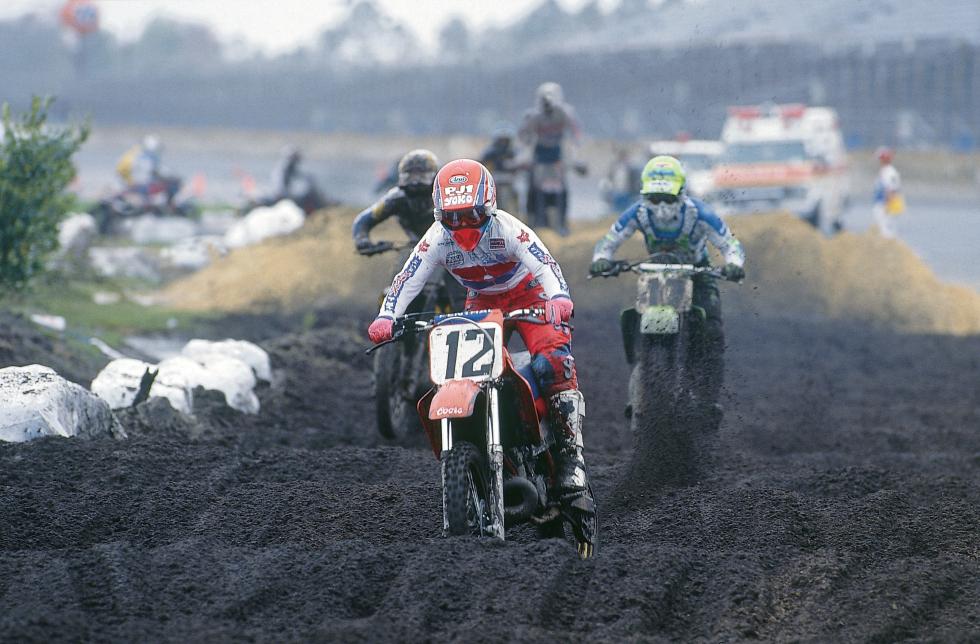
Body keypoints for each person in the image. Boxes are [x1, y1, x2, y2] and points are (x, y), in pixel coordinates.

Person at [366, 159, 597, 556]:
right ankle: (487, 443)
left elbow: (545, 264)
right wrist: (388, 315)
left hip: (529, 294)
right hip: (482, 301)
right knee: (464, 373)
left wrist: (558, 297)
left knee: (552, 362)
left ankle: (571, 458)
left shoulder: (509, 229)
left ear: (487, 207)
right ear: (440, 215)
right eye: (453, 218)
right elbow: (408, 278)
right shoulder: (436, 239)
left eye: (471, 215)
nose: (463, 226)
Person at [589, 155, 746, 418]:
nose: (661, 206)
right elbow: (609, 241)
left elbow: (730, 243)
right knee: (635, 317)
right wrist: (601, 260)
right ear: (644, 195)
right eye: (655, 198)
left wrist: (734, 264)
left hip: (698, 274)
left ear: (682, 193)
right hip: (655, 273)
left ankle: (709, 399)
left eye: (668, 198)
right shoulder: (638, 213)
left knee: (713, 330)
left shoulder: (700, 213)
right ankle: (640, 383)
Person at [518, 82, 585, 234]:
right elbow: (524, 136)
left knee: (563, 189)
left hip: (557, 155)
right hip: (539, 155)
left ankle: (562, 222)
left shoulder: (565, 113)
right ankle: (534, 220)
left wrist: (576, 156)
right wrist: (523, 155)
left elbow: (576, 133)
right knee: (533, 187)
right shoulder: (534, 116)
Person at [352, 149, 441, 253]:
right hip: (417, 248)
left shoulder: (444, 193)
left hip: (448, 243)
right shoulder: (396, 198)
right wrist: (362, 240)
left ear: (435, 176)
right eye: (410, 176)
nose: (415, 182)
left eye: (422, 176)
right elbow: (364, 220)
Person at [478, 123, 521, 216]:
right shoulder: (491, 152)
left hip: (510, 179)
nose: (503, 143)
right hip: (496, 177)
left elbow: (519, 164)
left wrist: (513, 166)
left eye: (505, 140)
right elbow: (482, 162)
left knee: (518, 192)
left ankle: (518, 212)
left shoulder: (513, 151)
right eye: (501, 140)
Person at [872, 146, 904, 239]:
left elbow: (891, 189)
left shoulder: (889, 172)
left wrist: (887, 205)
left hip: (886, 205)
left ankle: (889, 243)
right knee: (882, 228)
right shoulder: (884, 171)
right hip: (882, 203)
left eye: (880, 158)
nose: (879, 161)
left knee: (886, 230)